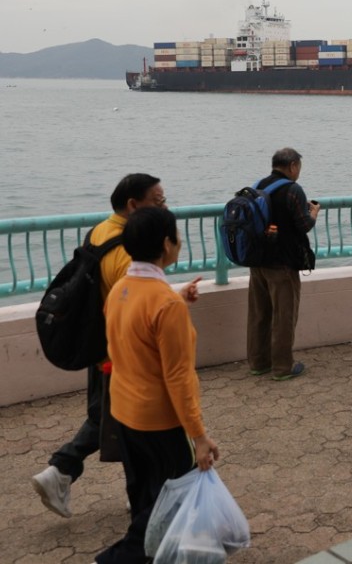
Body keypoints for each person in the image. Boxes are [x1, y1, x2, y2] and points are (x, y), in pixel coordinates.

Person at [31, 173, 169, 518]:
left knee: (107, 418)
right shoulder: (127, 251)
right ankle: (63, 470)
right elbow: (136, 303)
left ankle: (71, 475)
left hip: (99, 344)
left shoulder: (100, 231)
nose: (164, 206)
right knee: (128, 421)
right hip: (122, 351)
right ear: (133, 205)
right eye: (158, 200)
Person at [96, 206, 216, 564]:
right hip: (159, 421)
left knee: (144, 496)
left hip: (124, 410)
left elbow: (137, 330)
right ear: (167, 244)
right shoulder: (164, 303)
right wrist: (199, 438)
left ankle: (153, 556)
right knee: (173, 500)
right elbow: (178, 378)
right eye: (176, 237)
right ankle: (116, 559)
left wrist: (176, 299)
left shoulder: (120, 288)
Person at [246, 147, 320, 381]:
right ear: (292, 166)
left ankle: (258, 363)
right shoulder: (292, 190)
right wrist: (314, 213)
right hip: (282, 264)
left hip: (257, 262)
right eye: (298, 167)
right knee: (284, 317)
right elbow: (303, 225)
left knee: (259, 313)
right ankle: (282, 368)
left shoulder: (258, 185)